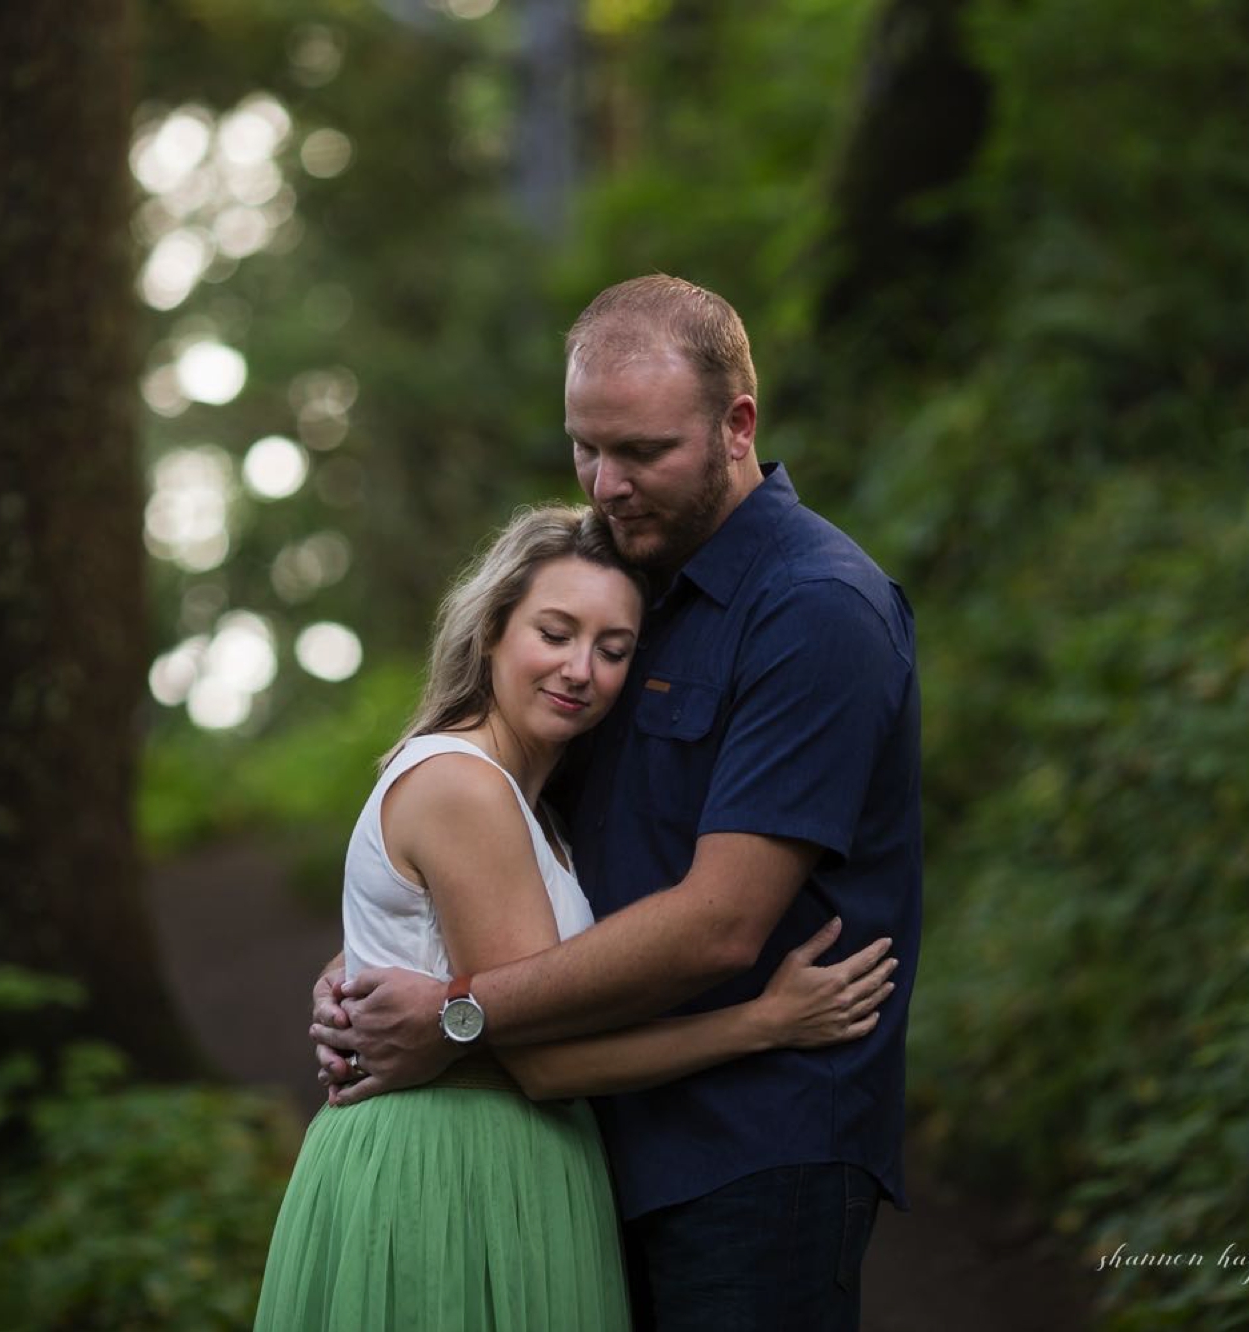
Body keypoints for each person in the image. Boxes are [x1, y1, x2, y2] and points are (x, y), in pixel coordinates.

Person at [313, 275, 923, 1331]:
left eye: (642, 452)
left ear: (737, 426)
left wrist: (455, 1011)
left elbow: (721, 922)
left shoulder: (814, 609)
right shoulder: (628, 593)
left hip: (754, 1152)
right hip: (596, 1145)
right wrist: (373, 962)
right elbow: (506, 846)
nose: (607, 484)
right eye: (585, 448)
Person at [253, 504, 898, 1332]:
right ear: (491, 630)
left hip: (514, 1161)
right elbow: (547, 1065)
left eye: (613, 650)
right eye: (554, 634)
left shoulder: (537, 809)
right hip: (447, 1171)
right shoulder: (466, 786)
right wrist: (762, 1023)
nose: (580, 670)